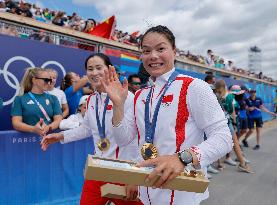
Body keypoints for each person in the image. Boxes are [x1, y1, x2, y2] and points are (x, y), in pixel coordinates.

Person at [101, 25, 233, 205]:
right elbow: (125, 139)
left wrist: (182, 158)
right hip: (146, 191)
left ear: (174, 51)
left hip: (181, 193)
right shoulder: (141, 95)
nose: (153, 56)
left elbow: (224, 138)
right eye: (146, 51)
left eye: (160, 49)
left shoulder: (193, 87)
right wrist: (118, 106)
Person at [40, 53, 142, 205]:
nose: (94, 73)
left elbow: (139, 138)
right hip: (99, 168)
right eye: (90, 69)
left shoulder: (128, 98)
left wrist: (135, 177)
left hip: (125, 171)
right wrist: (59, 136)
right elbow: (87, 129)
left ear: (109, 69)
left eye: (99, 68)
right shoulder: (91, 99)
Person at [11, 67, 62, 136]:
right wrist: (33, 129)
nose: (49, 83)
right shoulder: (20, 99)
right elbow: (16, 123)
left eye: (50, 80)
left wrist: (48, 127)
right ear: (34, 80)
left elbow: (58, 120)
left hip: (49, 140)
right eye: (46, 80)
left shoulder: (53, 98)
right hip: (27, 142)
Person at [215, 81, 252, 173]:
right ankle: (242, 164)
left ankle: (220, 163)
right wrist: (235, 123)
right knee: (235, 143)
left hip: (218, 122)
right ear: (224, 86)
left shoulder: (216, 96)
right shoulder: (229, 97)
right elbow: (233, 112)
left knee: (218, 142)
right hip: (227, 122)